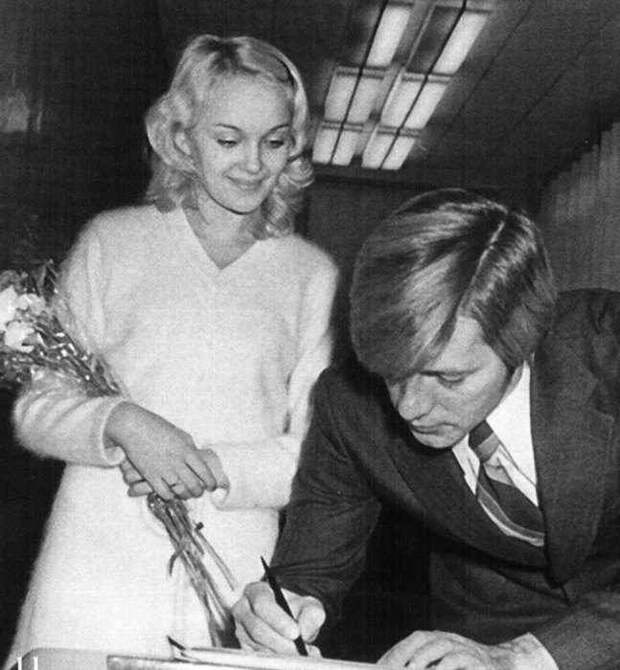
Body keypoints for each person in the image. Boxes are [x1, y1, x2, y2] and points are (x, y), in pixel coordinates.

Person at [4, 34, 338, 666]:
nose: (253, 163)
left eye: (274, 142)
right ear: (183, 138)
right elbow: (36, 409)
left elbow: (321, 458)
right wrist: (122, 423)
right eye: (228, 139)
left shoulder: (310, 275)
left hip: (234, 577)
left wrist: (213, 465)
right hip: (95, 568)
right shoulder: (112, 242)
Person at [233, 188, 620, 670]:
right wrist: (283, 609)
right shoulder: (349, 403)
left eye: (449, 378)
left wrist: (524, 658)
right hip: (482, 633)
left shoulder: (611, 354)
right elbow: (309, 570)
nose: (410, 408)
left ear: (522, 342)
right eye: (392, 374)